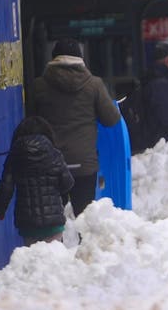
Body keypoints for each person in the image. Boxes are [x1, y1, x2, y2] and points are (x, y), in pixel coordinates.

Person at [31, 38, 121, 216]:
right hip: (84, 164)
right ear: (80, 58)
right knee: (85, 218)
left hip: (50, 163)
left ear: (53, 58)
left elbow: (30, 122)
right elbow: (111, 119)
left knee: (52, 217)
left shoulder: (38, 86)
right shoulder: (94, 85)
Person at [0, 116, 75, 245]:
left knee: (32, 256)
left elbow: (5, 187)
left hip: (28, 225)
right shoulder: (54, 154)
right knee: (54, 255)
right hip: (53, 223)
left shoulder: (14, 156)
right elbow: (67, 183)